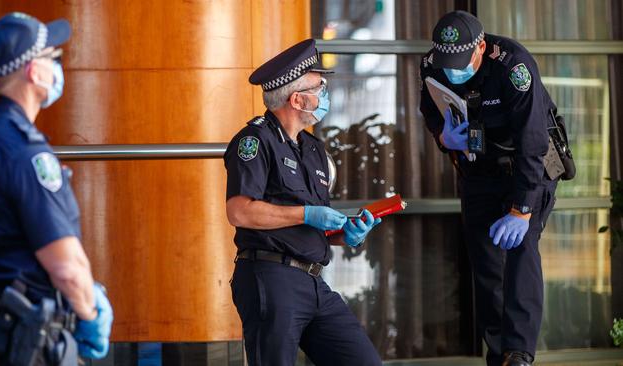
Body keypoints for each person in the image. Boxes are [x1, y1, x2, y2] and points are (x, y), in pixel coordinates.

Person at [224, 39, 383, 366]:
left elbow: (314, 226)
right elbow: (239, 211)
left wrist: (347, 234)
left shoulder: (314, 150)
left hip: (313, 280)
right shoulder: (255, 141)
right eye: (320, 87)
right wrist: (308, 213)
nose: (325, 94)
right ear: (297, 99)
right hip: (271, 275)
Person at [419, 10, 561, 366]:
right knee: (485, 263)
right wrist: (442, 135)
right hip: (478, 167)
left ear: (481, 47)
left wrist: (521, 210)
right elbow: (430, 110)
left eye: (460, 62)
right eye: (446, 63)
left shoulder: (514, 66)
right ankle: (498, 354)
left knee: (520, 250)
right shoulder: (432, 64)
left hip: (526, 168)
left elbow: (533, 143)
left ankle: (519, 354)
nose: (452, 70)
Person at [0, 12, 113, 364]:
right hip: (19, 339)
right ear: (35, 72)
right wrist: (90, 315)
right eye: (55, 59)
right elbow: (66, 267)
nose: (58, 69)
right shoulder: (25, 154)